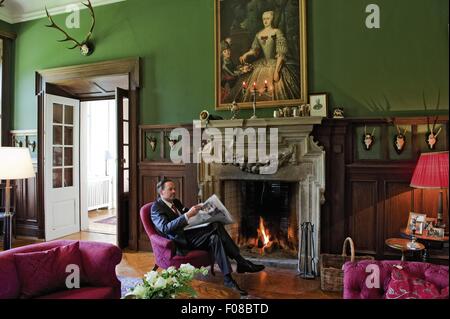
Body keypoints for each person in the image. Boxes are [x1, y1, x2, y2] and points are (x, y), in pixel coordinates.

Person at [151, 178, 265, 295]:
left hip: (190, 234)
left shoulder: (176, 202)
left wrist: (198, 210)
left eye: (174, 188)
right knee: (215, 226)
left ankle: (228, 280)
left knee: (214, 238)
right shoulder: (156, 208)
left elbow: (184, 211)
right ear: (161, 192)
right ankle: (241, 262)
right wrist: (187, 215)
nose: (174, 191)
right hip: (179, 242)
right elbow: (165, 228)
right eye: (170, 189)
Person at [239, 10, 300, 102]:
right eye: (264, 19)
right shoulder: (259, 34)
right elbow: (255, 49)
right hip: (262, 64)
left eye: (268, 18)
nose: (265, 21)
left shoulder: (277, 32)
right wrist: (246, 54)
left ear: (272, 19)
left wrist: (276, 71)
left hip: (275, 64)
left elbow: (281, 52)